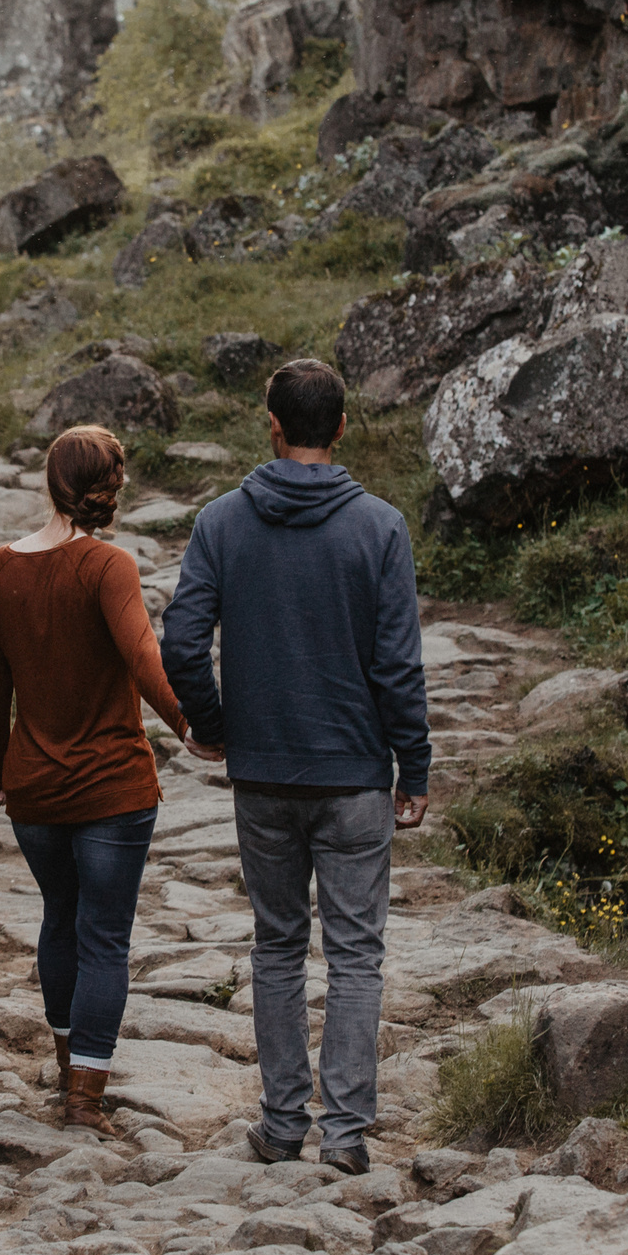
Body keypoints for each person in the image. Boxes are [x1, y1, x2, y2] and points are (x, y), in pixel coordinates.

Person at [161, 358, 429, 1175]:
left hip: (264, 773)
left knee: (277, 945)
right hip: (353, 775)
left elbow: (179, 641)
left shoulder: (220, 522)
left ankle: (281, 1124)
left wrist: (214, 724)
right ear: (341, 426)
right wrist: (411, 766)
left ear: (270, 424)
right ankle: (344, 1134)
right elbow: (397, 667)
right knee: (355, 953)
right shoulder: (380, 527)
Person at [0, 424, 223, 1137]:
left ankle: (64, 1066)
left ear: (50, 482)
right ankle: (84, 1097)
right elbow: (146, 658)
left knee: (60, 918)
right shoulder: (107, 565)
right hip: (113, 789)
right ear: (109, 492)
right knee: (104, 937)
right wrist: (190, 726)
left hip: (36, 791)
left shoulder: (0, 567)